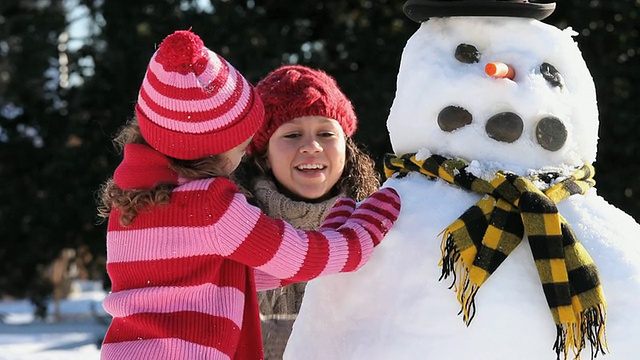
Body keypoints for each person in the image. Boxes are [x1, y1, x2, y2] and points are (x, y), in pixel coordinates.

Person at [96, 30, 401, 360]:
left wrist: (329, 236)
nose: (243, 155)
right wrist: (363, 232)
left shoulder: (136, 202)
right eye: (240, 145)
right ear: (206, 148)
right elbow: (298, 257)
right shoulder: (213, 206)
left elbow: (235, 271)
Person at [233, 65, 381, 358]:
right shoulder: (233, 233)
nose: (312, 146)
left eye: (326, 133)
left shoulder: (382, 230)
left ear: (346, 147)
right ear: (263, 154)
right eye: (292, 135)